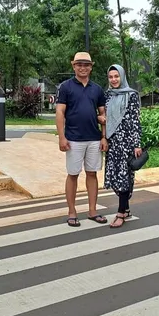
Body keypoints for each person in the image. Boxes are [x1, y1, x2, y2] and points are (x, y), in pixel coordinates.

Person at [56, 52, 108, 227]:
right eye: (79, 64)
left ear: (91, 67)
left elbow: (103, 114)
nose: (83, 68)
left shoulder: (97, 89)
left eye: (86, 64)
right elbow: (60, 112)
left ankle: (92, 210)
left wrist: (103, 137)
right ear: (73, 66)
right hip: (73, 139)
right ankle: (72, 212)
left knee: (92, 174)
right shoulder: (66, 87)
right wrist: (62, 137)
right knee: (73, 174)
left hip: (94, 139)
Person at [102, 64, 142, 228]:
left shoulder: (131, 95)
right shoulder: (107, 95)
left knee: (124, 177)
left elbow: (135, 120)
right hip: (112, 142)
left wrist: (136, 144)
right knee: (115, 177)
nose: (114, 80)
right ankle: (126, 209)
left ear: (122, 76)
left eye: (116, 76)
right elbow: (104, 117)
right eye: (111, 77)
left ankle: (120, 213)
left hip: (127, 142)